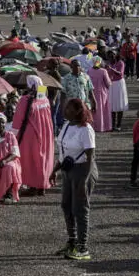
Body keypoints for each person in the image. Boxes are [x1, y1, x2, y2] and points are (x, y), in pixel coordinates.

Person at [54, 98, 97, 260]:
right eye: (66, 108)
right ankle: (72, 241)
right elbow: (64, 152)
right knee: (66, 206)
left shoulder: (85, 129)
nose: (65, 111)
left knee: (80, 208)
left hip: (83, 170)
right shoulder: (67, 125)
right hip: (68, 170)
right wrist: (54, 170)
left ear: (78, 111)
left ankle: (83, 247)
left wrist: (84, 180)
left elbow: (90, 156)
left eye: (69, 109)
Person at [12, 75, 54, 195]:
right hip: (46, 132)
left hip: (31, 134)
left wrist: (13, 135)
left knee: (31, 159)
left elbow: (18, 119)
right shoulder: (44, 98)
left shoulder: (25, 99)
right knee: (44, 158)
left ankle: (33, 186)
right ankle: (42, 185)